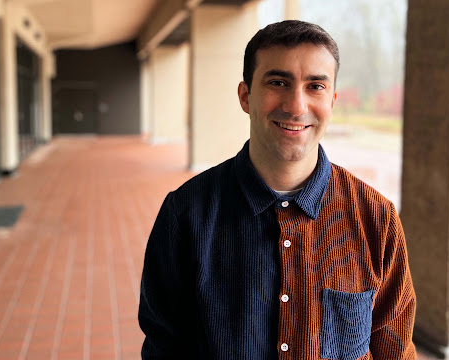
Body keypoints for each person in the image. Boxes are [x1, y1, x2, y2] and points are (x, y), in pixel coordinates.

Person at [138, 20, 416, 359]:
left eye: (315, 86)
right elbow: (164, 347)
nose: (296, 106)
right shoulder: (185, 214)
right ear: (245, 95)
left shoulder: (376, 218)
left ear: (332, 100)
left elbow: (395, 350)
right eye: (278, 82)